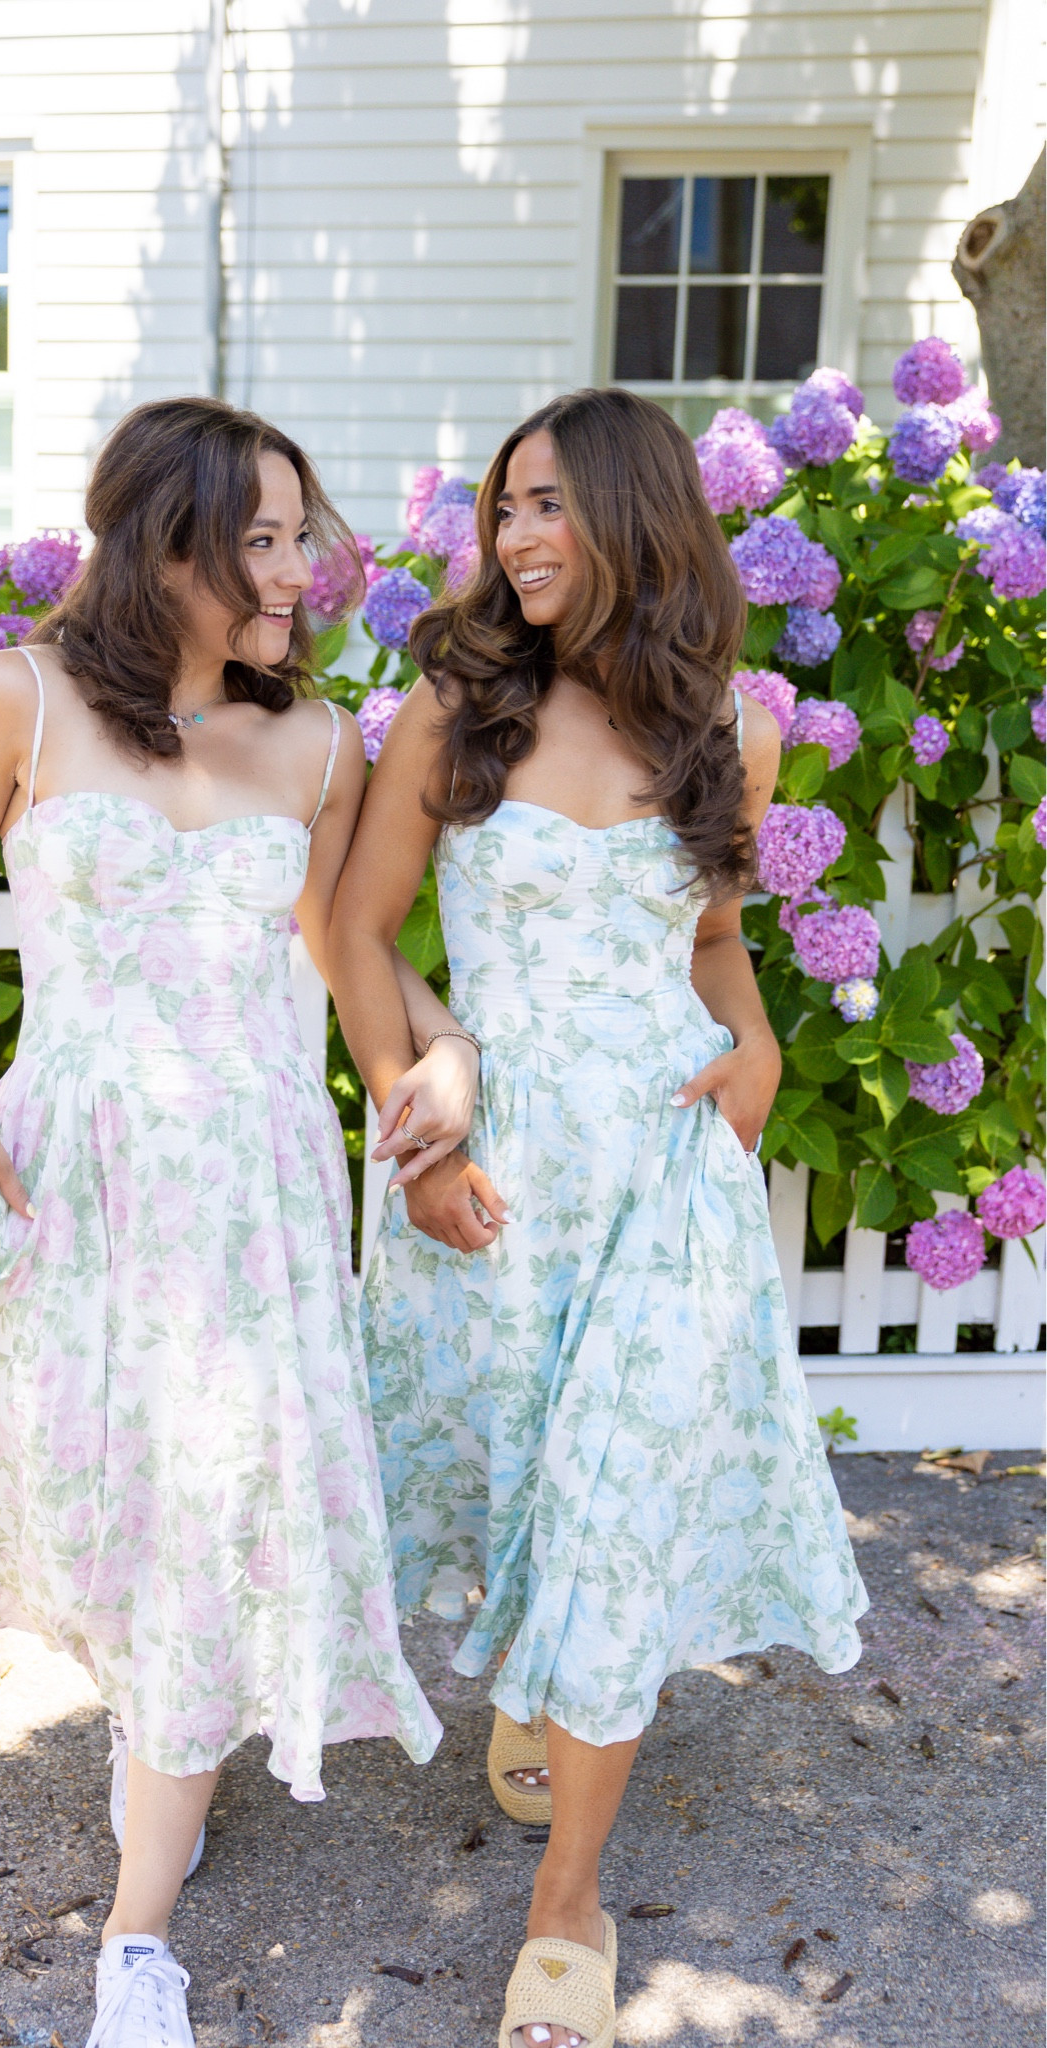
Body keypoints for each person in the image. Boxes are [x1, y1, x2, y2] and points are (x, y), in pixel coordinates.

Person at [0, 396, 441, 2048]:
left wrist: (454, 1047)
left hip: (249, 1196)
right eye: (262, 538)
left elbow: (343, 947)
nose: (298, 567)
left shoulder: (316, 741)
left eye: (302, 533)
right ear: (168, 540)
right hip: (70, 1172)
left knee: (207, 1524)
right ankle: (171, 1729)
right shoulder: (22, 698)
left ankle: (135, 1935)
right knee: (97, 1505)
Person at [327, 388, 868, 2048]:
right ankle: (538, 1687)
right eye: (503, 509)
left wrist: (759, 1038)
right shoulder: (453, 713)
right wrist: (418, 1126)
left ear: (636, 515)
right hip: (502, 1167)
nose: (518, 537)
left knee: (616, 1500)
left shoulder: (732, 731)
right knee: (524, 1471)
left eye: (548, 503)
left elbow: (709, 944)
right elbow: (353, 928)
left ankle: (566, 1908)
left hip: (665, 1167)